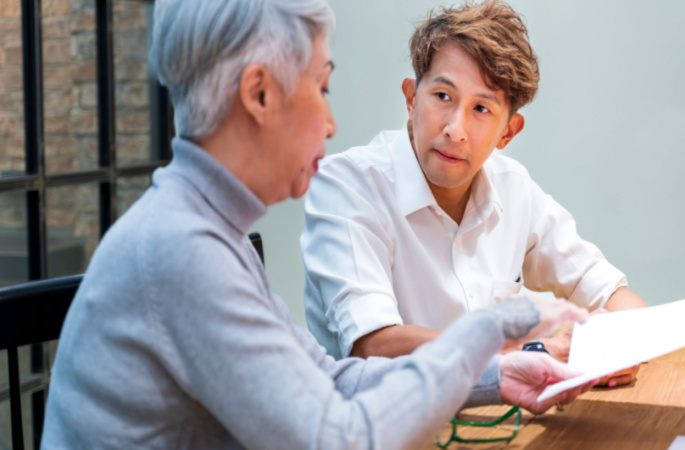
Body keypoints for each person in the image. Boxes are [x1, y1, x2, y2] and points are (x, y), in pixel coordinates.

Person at [41, 0, 595, 448]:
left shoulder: (206, 234)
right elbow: (338, 437)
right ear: (259, 94)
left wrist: (499, 376)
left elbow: (331, 381)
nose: (330, 121)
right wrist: (497, 328)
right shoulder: (181, 252)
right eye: (322, 86)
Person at [302, 0, 646, 387]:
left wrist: (620, 342)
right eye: (443, 97)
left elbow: (617, 296)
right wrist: (532, 356)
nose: (455, 128)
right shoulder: (347, 186)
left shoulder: (514, 189)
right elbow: (374, 344)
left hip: (491, 429)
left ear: (508, 132)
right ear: (412, 98)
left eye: (481, 108)